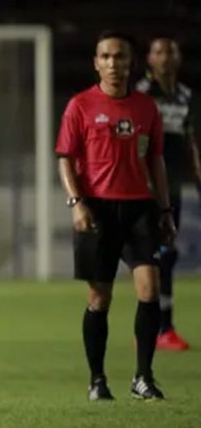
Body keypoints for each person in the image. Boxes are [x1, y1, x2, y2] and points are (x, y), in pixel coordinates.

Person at [56, 31, 176, 401]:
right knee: (99, 298)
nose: (113, 63)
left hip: (139, 207)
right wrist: (77, 204)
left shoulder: (146, 108)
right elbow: (65, 158)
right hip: (98, 209)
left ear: (130, 62)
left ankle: (143, 378)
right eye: (105, 57)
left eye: (119, 57)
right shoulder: (80, 106)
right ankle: (97, 380)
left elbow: (155, 159)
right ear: (96, 63)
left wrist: (165, 208)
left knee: (150, 290)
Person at [136, 36, 196, 351]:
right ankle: (158, 328)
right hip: (144, 187)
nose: (165, 57)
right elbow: (138, 144)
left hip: (171, 186)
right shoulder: (142, 96)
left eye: (170, 51)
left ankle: (161, 328)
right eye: (158, 51)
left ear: (179, 57)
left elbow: (192, 141)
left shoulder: (186, 96)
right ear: (149, 58)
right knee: (153, 256)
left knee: (166, 256)